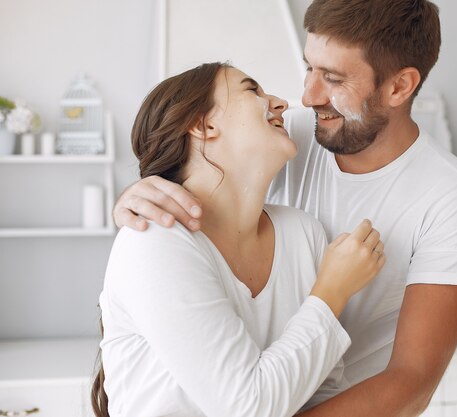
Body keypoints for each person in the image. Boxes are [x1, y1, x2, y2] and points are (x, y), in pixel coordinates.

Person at [113, 0, 457, 415]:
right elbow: (201, 169)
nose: (306, 97)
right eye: (309, 67)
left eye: (332, 78)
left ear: (399, 87)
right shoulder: (291, 135)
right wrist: (142, 197)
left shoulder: (450, 196)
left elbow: (411, 382)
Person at [93, 62, 387, 417]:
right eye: (253, 90)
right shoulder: (155, 240)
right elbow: (247, 406)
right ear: (204, 125)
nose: (280, 103)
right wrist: (331, 292)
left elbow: (320, 391)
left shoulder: (302, 232)